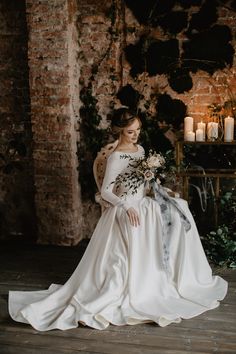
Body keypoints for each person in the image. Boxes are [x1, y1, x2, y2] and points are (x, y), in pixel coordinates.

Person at [8, 108, 227, 331]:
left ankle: (177, 276)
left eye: (138, 130)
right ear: (119, 131)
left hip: (144, 202)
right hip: (125, 207)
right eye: (131, 132)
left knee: (180, 208)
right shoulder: (115, 157)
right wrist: (125, 206)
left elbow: (145, 181)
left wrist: (160, 190)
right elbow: (106, 192)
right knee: (130, 237)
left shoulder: (140, 149)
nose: (136, 135)